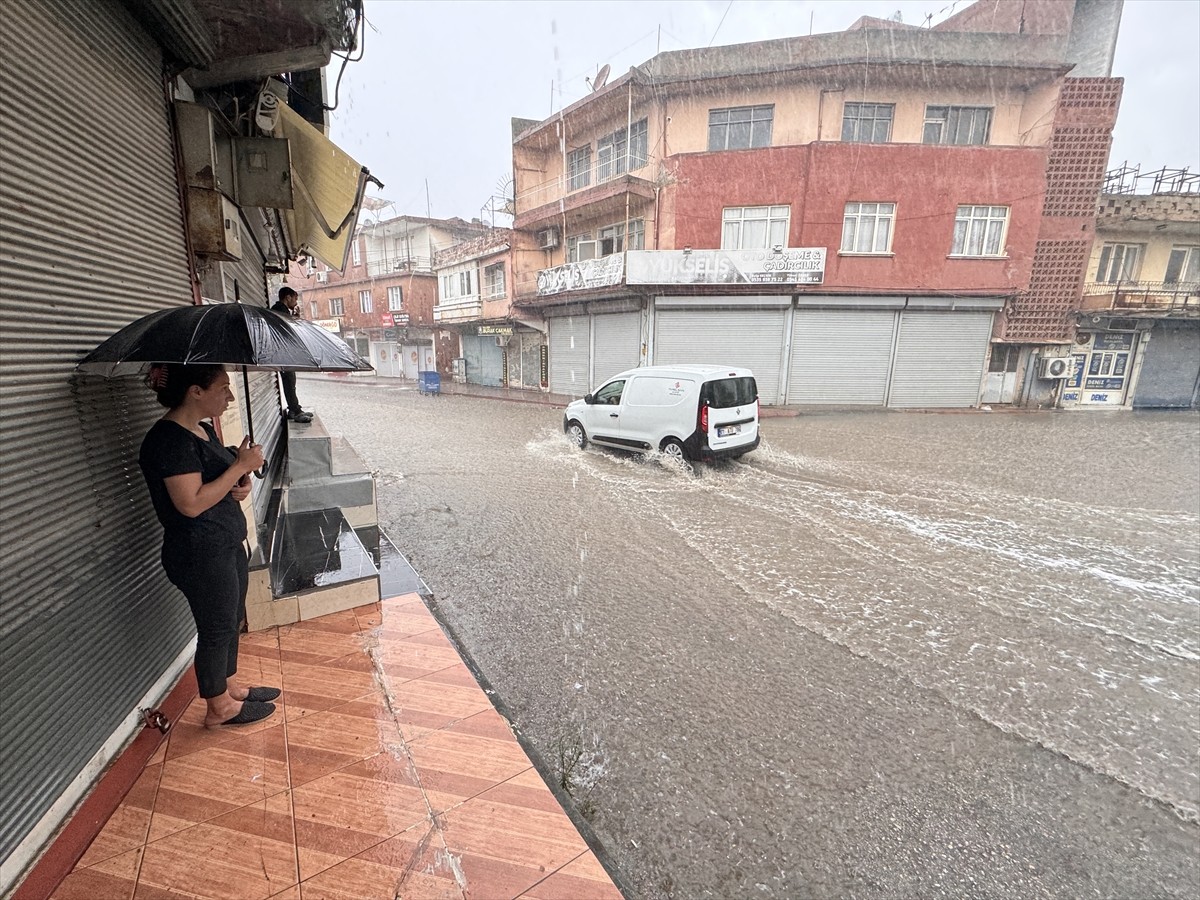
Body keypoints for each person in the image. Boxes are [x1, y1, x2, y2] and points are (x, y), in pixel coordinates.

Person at [139, 363, 279, 727]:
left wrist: (241, 482)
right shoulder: (168, 441)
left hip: (225, 542)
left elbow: (217, 487)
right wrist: (238, 467)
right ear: (195, 391)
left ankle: (229, 686)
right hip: (198, 552)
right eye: (222, 388)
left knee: (231, 619)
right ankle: (218, 709)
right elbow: (190, 503)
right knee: (216, 626)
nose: (229, 396)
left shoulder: (202, 431)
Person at [270, 286, 313, 423]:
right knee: (289, 381)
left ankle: (295, 409)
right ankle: (295, 410)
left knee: (290, 381)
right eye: (294, 298)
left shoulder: (280, 310)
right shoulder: (280, 311)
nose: (295, 301)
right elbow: (288, 331)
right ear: (287, 297)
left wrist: (294, 317)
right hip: (282, 352)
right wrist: (295, 319)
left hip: (283, 351)